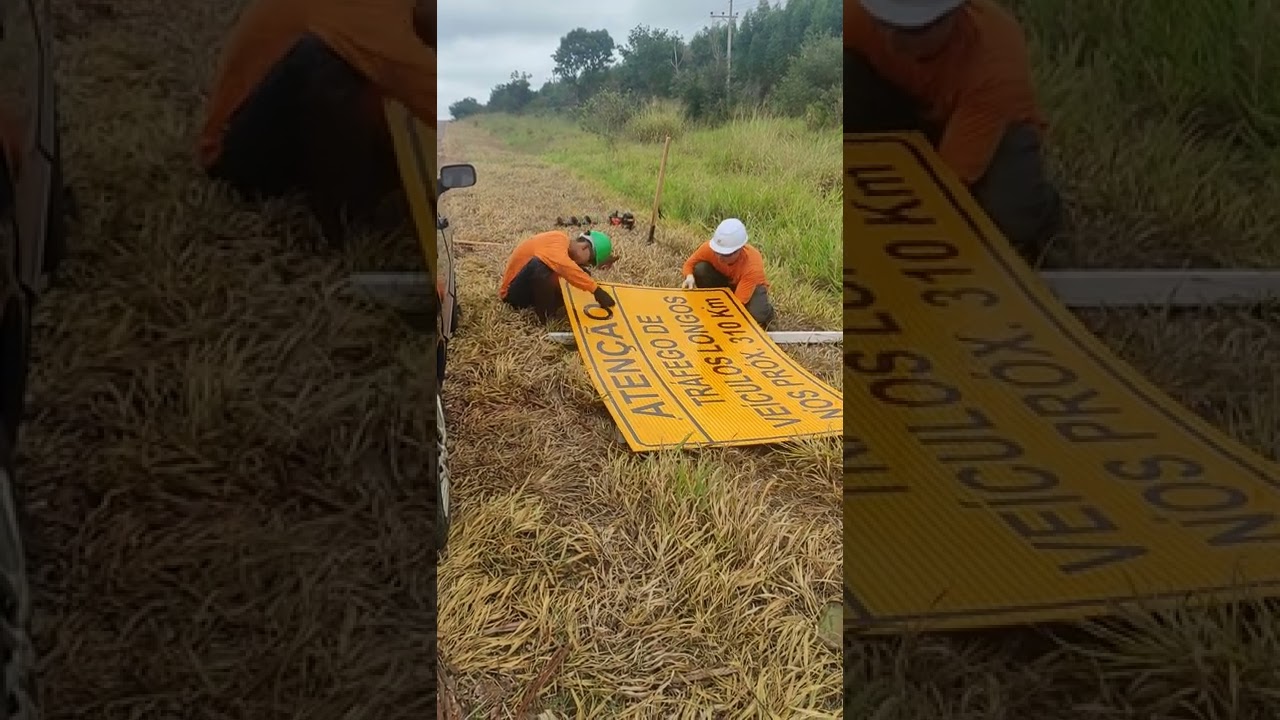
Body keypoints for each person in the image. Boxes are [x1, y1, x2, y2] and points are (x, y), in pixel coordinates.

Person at [197, 0, 436, 248]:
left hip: (294, 127)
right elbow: (423, 85)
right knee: (330, 61)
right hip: (239, 151)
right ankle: (342, 220)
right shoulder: (364, 12)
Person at [845, 0, 1062, 261]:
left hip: (989, 131)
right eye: (885, 22)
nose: (892, 39)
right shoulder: (854, 13)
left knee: (1004, 220)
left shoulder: (996, 64)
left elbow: (944, 190)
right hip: (908, 103)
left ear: (954, 16)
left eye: (912, 30)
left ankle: (1042, 208)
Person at [500, 230, 618, 320]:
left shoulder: (563, 253)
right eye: (589, 262)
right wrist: (595, 290)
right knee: (542, 266)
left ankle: (552, 308)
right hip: (513, 294)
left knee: (581, 274)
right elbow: (563, 265)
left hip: (530, 291)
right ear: (584, 247)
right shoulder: (558, 239)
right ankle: (546, 318)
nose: (586, 265)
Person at [680, 219, 775, 328]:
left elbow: (736, 305)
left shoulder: (752, 266)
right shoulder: (708, 249)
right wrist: (689, 276)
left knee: (757, 315)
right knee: (700, 269)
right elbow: (689, 264)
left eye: (725, 255)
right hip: (727, 281)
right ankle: (716, 298)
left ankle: (768, 312)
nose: (719, 258)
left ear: (739, 250)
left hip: (750, 288)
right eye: (717, 252)